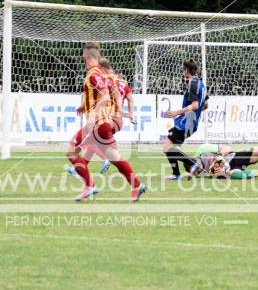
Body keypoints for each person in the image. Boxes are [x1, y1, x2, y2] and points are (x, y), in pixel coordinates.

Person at [65, 43, 146, 201]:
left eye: (83, 56)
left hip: (97, 123)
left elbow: (105, 97)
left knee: (71, 151)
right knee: (115, 158)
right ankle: (137, 185)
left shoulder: (93, 75)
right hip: (105, 123)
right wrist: (85, 106)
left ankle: (90, 185)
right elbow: (113, 94)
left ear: (86, 56)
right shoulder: (104, 75)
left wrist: (92, 116)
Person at [162, 59, 208, 180]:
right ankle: (176, 173)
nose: (182, 72)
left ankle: (192, 164)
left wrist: (176, 112)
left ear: (186, 70)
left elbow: (195, 106)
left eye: (183, 69)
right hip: (192, 122)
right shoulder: (201, 83)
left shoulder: (193, 83)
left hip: (186, 122)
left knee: (167, 147)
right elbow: (205, 105)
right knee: (169, 147)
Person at [98, 57, 136, 174]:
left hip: (109, 118)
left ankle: (107, 159)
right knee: (100, 140)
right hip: (119, 120)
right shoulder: (124, 84)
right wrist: (131, 115)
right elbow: (130, 99)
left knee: (95, 138)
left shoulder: (107, 80)